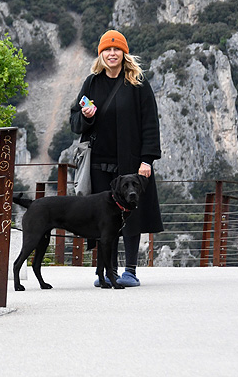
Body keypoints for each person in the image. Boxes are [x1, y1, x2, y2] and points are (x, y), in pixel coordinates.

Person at [69, 29, 162, 287]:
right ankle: (107, 272)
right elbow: (74, 121)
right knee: (104, 219)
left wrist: (147, 160)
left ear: (124, 53)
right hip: (98, 163)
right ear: (101, 54)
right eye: (107, 50)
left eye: (116, 49)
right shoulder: (92, 83)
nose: (112, 53)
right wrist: (86, 116)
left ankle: (130, 271)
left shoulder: (137, 84)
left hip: (130, 163)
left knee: (132, 215)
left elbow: (150, 124)